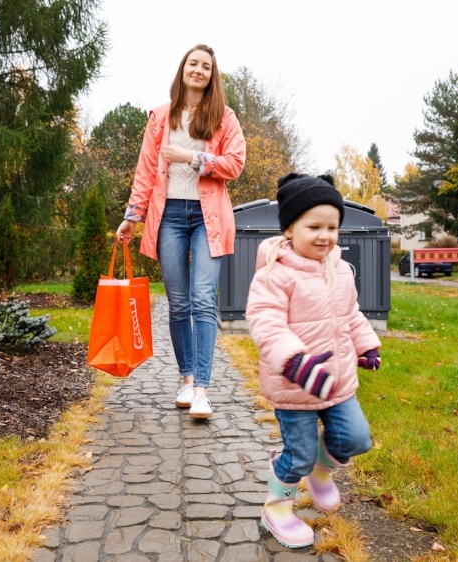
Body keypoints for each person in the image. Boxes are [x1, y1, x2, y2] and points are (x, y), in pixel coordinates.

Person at [244, 173, 382, 549]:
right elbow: (266, 325)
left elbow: (351, 313)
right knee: (299, 454)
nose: (325, 235)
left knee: (354, 438)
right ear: (290, 228)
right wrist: (298, 364)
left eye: (332, 227)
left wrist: (365, 344)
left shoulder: (339, 268)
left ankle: (322, 474)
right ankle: (277, 509)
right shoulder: (274, 274)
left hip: (337, 382)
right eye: (314, 226)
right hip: (294, 386)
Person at [115, 44, 246, 420]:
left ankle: (203, 389)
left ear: (212, 75)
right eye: (194, 63)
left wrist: (192, 157)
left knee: (203, 299)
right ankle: (186, 380)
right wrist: (132, 215)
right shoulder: (160, 116)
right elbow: (144, 172)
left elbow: (235, 164)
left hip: (209, 219)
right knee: (178, 304)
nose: (199, 70)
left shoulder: (224, 117)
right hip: (168, 216)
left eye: (207, 66)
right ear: (183, 69)